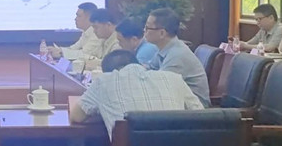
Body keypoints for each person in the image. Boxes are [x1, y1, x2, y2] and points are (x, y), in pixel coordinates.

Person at [69, 50, 203, 137]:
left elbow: (76, 116)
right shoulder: (174, 78)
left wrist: (102, 111)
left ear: (108, 72)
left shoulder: (104, 81)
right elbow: (200, 115)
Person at [144, 8, 211, 107]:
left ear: (162, 33)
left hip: (195, 109)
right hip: (179, 102)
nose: (144, 30)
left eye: (147, 27)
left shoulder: (177, 55)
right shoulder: (165, 48)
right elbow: (149, 68)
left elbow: (160, 86)